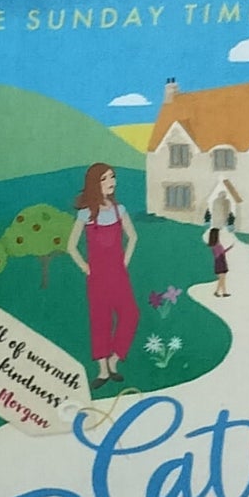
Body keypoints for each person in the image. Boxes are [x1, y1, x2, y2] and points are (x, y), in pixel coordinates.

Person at [64, 161, 140, 383]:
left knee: (131, 314)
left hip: (118, 274)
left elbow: (133, 237)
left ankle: (115, 358)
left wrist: (124, 261)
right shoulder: (85, 214)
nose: (111, 182)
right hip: (97, 277)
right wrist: (84, 267)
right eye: (104, 178)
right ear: (94, 184)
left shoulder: (119, 210)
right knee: (100, 320)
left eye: (112, 177)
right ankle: (103, 370)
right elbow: (71, 246)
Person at [206, 180, 241, 298]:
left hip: (220, 262)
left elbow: (221, 252)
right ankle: (220, 292)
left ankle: (220, 292)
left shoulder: (214, 245)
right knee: (222, 278)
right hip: (220, 262)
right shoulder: (216, 246)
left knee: (222, 278)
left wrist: (229, 248)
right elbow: (220, 253)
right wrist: (228, 249)